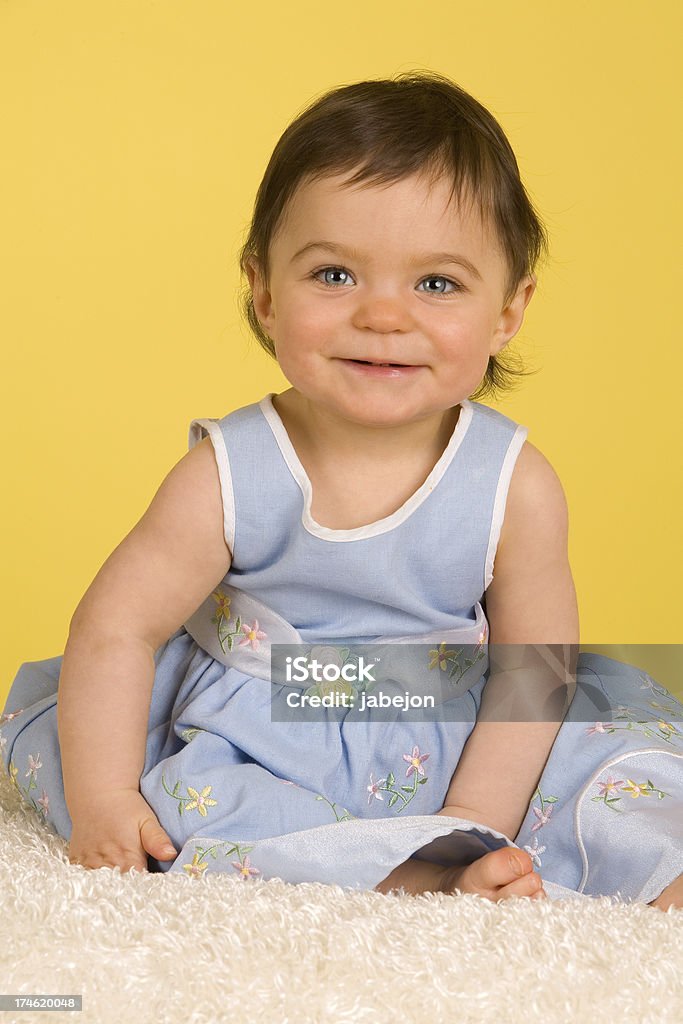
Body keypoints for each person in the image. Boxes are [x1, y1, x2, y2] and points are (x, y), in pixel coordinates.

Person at [2, 71, 682, 909]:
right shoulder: (230, 473)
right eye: (333, 275)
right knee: (187, 806)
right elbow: (114, 629)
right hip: (269, 731)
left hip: (464, 728)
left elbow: (531, 674)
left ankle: (630, 870)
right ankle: (420, 876)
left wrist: (472, 815)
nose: (383, 317)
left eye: (436, 284)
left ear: (507, 310)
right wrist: (106, 803)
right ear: (263, 292)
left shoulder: (514, 485)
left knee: (606, 767)